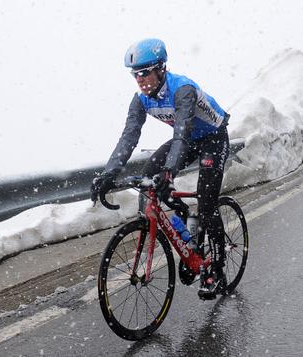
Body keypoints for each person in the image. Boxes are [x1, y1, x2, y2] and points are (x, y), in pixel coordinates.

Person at [90, 38, 231, 300]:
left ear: (161, 69)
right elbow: (129, 137)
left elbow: (182, 133)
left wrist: (170, 172)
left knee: (208, 201)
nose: (140, 80)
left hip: (212, 137)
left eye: (145, 72)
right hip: (187, 140)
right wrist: (109, 173)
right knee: (149, 175)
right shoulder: (141, 99)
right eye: (136, 75)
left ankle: (218, 270)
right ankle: (187, 225)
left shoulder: (182, 90)